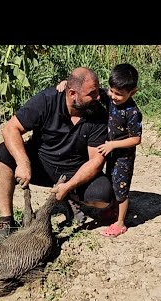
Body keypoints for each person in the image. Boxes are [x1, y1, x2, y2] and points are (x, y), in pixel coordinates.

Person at [0, 67, 114, 242]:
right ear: (72, 93)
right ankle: (6, 220)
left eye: (97, 92)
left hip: (74, 169)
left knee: (103, 196)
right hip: (40, 164)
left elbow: (96, 160)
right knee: (2, 154)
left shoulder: (98, 113)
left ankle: (71, 196)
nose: (98, 97)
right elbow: (11, 128)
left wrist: (69, 185)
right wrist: (23, 162)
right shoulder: (47, 100)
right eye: (92, 94)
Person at [57, 63, 142, 237]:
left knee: (121, 190)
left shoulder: (132, 112)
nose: (113, 96)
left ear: (132, 93)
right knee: (111, 182)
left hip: (123, 157)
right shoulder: (109, 97)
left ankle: (120, 223)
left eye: (119, 94)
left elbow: (136, 139)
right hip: (110, 154)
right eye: (112, 90)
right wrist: (67, 83)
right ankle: (113, 211)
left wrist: (113, 145)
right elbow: (87, 90)